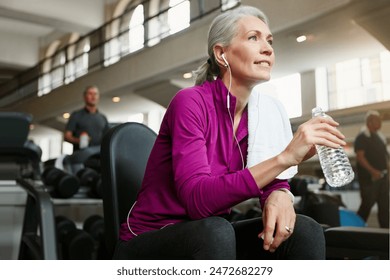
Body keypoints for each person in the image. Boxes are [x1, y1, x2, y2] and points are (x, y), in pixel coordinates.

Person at [115, 5, 347, 260]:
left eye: (269, 41)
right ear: (221, 53)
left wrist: (279, 193)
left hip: (210, 236)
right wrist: (286, 157)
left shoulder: (262, 113)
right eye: (253, 38)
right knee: (216, 230)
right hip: (151, 239)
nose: (268, 48)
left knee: (305, 230)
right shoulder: (190, 102)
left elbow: (269, 178)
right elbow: (197, 202)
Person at [354, 110, 389, 228]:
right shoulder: (362, 137)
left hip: (382, 179)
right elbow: (360, 157)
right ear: (369, 122)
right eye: (376, 120)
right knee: (366, 207)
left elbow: (385, 158)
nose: (380, 122)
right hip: (369, 180)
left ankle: (386, 234)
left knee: (384, 208)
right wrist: (373, 172)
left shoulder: (380, 137)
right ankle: (354, 230)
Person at [64, 85, 109, 151]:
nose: (93, 97)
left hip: (99, 155)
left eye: (95, 94)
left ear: (98, 97)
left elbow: (107, 137)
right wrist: (79, 140)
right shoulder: (76, 115)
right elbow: (67, 136)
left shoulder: (103, 117)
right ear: (85, 97)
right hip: (81, 155)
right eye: (90, 94)